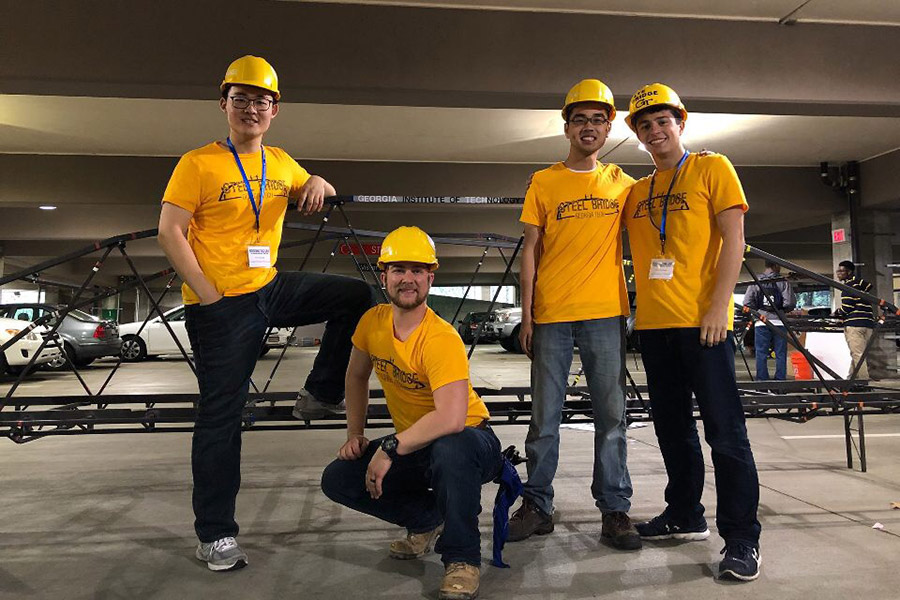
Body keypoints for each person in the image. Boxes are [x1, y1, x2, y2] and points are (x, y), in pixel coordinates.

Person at [157, 55, 374, 571]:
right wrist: (208, 295)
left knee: (354, 297)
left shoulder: (279, 161)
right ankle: (215, 535)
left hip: (270, 287)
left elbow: (305, 187)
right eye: (241, 99)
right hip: (221, 305)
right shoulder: (198, 162)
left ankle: (317, 395)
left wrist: (316, 179)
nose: (251, 108)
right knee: (221, 418)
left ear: (274, 110)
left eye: (261, 101)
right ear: (224, 105)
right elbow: (170, 231)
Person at [622, 83, 762, 581]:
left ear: (680, 123)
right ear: (637, 135)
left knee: (725, 434)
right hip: (656, 329)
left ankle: (742, 538)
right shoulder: (636, 192)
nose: (655, 131)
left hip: (704, 326)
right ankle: (685, 513)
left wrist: (719, 307)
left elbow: (735, 240)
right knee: (673, 431)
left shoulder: (712, 167)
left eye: (662, 121)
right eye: (645, 125)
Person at [321, 226, 502, 600]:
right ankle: (426, 520)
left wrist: (389, 447)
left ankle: (462, 558)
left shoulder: (440, 338)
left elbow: (451, 419)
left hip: (471, 441)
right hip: (416, 442)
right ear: (383, 275)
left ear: (430, 278)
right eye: (399, 269)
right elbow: (355, 375)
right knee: (338, 478)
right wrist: (355, 434)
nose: (408, 279)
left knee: (451, 448)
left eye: (417, 270)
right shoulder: (372, 322)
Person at [509, 79, 640, 551]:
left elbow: (664, 199)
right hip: (551, 316)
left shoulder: (622, 184)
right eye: (580, 118)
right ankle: (538, 505)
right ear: (566, 126)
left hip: (606, 314)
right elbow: (530, 251)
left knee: (612, 417)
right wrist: (526, 316)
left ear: (608, 129)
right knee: (545, 417)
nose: (589, 127)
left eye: (598, 120)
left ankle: (615, 510)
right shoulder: (544, 182)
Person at [743, 261, 796, 380]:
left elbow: (747, 302)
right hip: (779, 322)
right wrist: (781, 310)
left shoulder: (756, 281)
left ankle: (762, 382)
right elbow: (790, 303)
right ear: (776, 266)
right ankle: (780, 382)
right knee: (780, 353)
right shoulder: (783, 282)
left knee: (761, 353)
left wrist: (759, 311)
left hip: (761, 321)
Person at [834, 260, 876, 380]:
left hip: (854, 324)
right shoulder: (860, 286)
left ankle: (864, 381)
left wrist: (837, 312)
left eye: (842, 271)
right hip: (868, 324)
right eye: (838, 271)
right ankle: (850, 379)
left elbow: (847, 307)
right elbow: (869, 285)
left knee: (858, 355)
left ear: (849, 272)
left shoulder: (847, 287)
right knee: (858, 354)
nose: (839, 273)